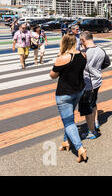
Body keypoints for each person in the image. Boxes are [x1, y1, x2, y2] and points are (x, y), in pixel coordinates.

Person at [49, 34, 88, 163]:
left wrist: (59, 56)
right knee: (69, 117)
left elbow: (53, 76)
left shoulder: (63, 58)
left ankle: (80, 148)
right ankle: (66, 142)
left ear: (64, 43)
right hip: (78, 91)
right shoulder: (83, 55)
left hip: (64, 94)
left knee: (69, 122)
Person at [78, 31, 106, 139]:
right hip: (97, 80)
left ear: (83, 40)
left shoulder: (84, 53)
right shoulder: (101, 50)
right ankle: (96, 122)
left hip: (88, 84)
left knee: (87, 108)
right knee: (93, 102)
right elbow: (106, 62)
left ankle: (92, 131)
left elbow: (79, 68)